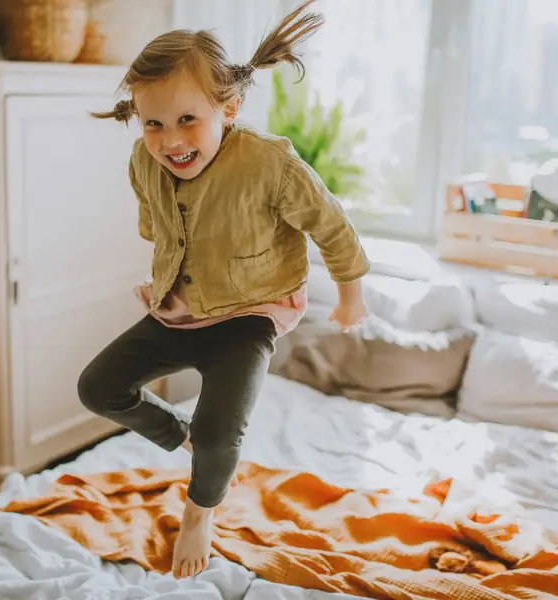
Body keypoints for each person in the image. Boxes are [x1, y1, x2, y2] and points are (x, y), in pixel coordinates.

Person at [77, 0, 370, 580]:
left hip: (250, 314)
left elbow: (331, 224)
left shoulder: (268, 164)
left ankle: (199, 512)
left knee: (221, 433)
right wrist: (165, 266)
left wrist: (350, 294)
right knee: (98, 388)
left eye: (188, 120)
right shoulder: (144, 161)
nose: (170, 140)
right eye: (153, 123)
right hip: (179, 313)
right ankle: (183, 438)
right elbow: (154, 223)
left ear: (228, 107)